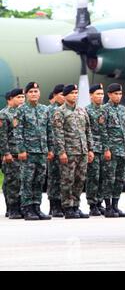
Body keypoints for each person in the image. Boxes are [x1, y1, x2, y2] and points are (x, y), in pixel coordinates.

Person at [53, 84, 94, 219]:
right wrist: (62, 152)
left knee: (80, 179)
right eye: (72, 93)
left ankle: (76, 205)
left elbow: (88, 131)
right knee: (67, 180)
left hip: (82, 151)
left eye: (76, 93)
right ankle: (67, 206)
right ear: (65, 96)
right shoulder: (60, 112)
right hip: (69, 152)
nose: (74, 95)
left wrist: (90, 149)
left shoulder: (82, 111)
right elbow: (58, 134)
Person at [14, 82, 53, 220]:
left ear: (39, 93)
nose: (33, 94)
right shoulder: (21, 110)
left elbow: (49, 130)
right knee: (27, 181)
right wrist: (22, 150)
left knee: (39, 180)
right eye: (31, 92)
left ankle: (37, 207)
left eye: (36, 91)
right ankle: (27, 208)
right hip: (29, 152)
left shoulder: (44, 109)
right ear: (26, 94)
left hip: (42, 151)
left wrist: (50, 148)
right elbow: (18, 132)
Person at [102, 83, 125, 218]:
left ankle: (115, 206)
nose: (118, 96)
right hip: (111, 150)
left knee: (120, 178)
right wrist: (106, 149)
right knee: (109, 178)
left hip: (122, 150)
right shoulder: (104, 110)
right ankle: (108, 207)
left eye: (120, 94)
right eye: (116, 94)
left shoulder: (122, 110)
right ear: (109, 95)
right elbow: (102, 131)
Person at [0, 88, 25, 219]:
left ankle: (19, 207)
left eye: (22, 97)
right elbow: (2, 136)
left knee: (21, 181)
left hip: (23, 153)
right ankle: (12, 208)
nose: (22, 99)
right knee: (12, 182)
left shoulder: (22, 113)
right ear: (10, 99)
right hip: (11, 154)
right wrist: (6, 153)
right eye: (19, 97)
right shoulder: (4, 114)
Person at [85, 84, 108, 216]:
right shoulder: (87, 111)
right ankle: (92, 204)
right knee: (93, 177)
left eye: (101, 94)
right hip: (93, 148)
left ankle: (100, 202)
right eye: (98, 94)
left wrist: (107, 148)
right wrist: (89, 149)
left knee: (102, 177)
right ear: (91, 95)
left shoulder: (105, 111)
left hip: (104, 148)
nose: (100, 97)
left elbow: (106, 131)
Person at [47, 84, 65, 217]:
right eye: (61, 94)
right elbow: (48, 132)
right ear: (55, 95)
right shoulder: (49, 110)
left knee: (64, 178)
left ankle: (62, 204)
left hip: (66, 149)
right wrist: (50, 149)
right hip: (53, 150)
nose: (64, 97)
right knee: (54, 178)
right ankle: (54, 206)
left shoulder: (66, 110)